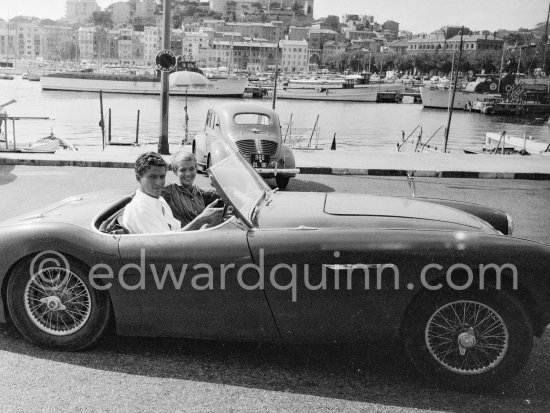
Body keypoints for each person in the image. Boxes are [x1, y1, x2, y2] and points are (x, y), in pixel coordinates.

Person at [121, 152, 181, 234]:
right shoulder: (140, 208)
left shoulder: (160, 200)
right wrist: (199, 221)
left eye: (162, 177)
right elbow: (167, 242)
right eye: (152, 177)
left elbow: (175, 229)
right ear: (138, 178)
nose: (159, 182)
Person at [161, 151, 223, 231]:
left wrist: (217, 183)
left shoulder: (199, 192)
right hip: (184, 239)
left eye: (191, 169)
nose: (188, 174)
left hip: (204, 237)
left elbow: (226, 193)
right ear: (175, 171)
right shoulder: (170, 190)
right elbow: (151, 190)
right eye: (183, 170)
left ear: (196, 169)